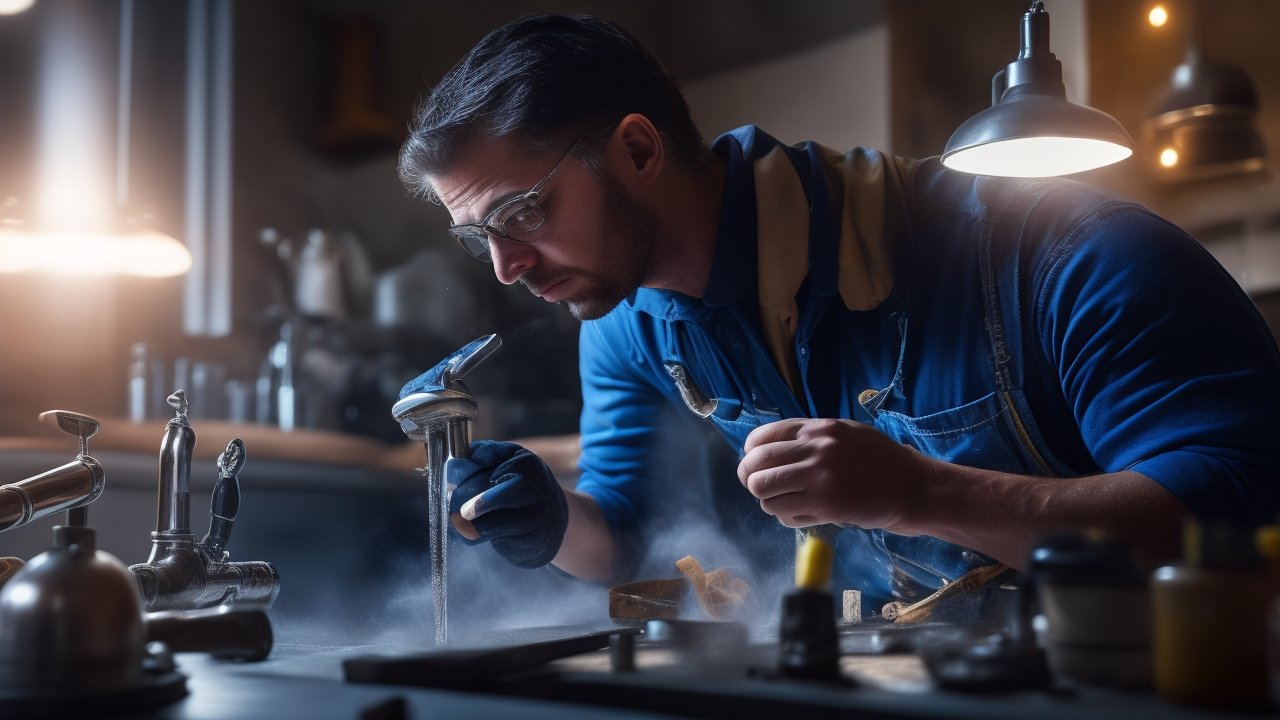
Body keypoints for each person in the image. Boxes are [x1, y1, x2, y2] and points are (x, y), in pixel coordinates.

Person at [396, 12, 1280, 611]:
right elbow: (628, 539)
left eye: (522, 214)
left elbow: (1234, 516)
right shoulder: (625, 327)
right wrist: (551, 521)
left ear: (636, 149)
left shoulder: (1070, 254)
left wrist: (919, 492)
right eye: (480, 238)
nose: (507, 268)